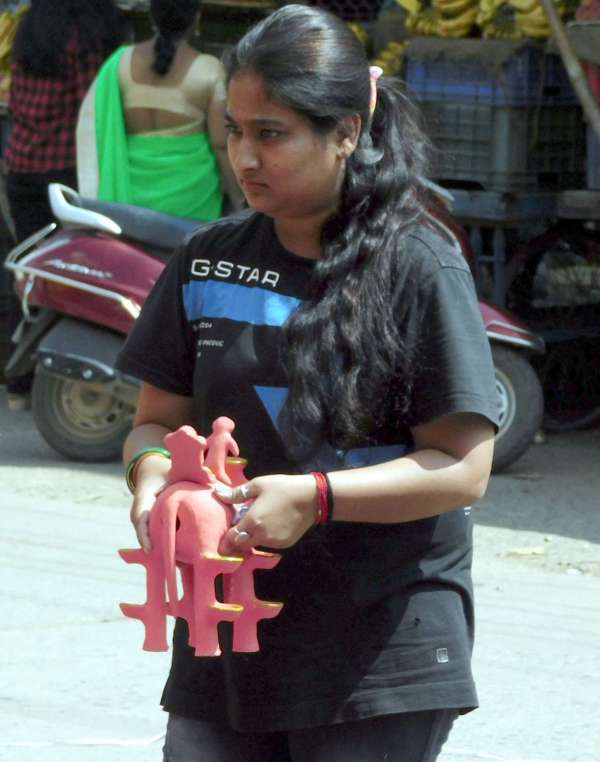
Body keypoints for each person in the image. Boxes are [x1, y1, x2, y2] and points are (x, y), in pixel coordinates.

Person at [116, 5, 499, 761]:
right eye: (234, 129)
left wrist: (315, 498)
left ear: (347, 132)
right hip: (223, 632)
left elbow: (462, 466)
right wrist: (151, 482)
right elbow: (154, 421)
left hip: (377, 645)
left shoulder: (418, 266)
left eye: (273, 134)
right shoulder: (206, 260)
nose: (245, 156)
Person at [3, 0, 125, 411]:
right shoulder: (85, 38)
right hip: (63, 171)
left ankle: (19, 378)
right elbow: (90, 109)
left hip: (21, 165)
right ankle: (45, 373)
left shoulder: (30, 28)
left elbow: (18, 99)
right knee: (71, 276)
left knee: (31, 273)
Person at [76, 0, 243, 220]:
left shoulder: (118, 64)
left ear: (152, 16)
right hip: (191, 204)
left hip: (128, 205)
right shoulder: (209, 70)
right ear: (197, 19)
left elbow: (98, 133)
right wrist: (239, 201)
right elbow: (221, 145)